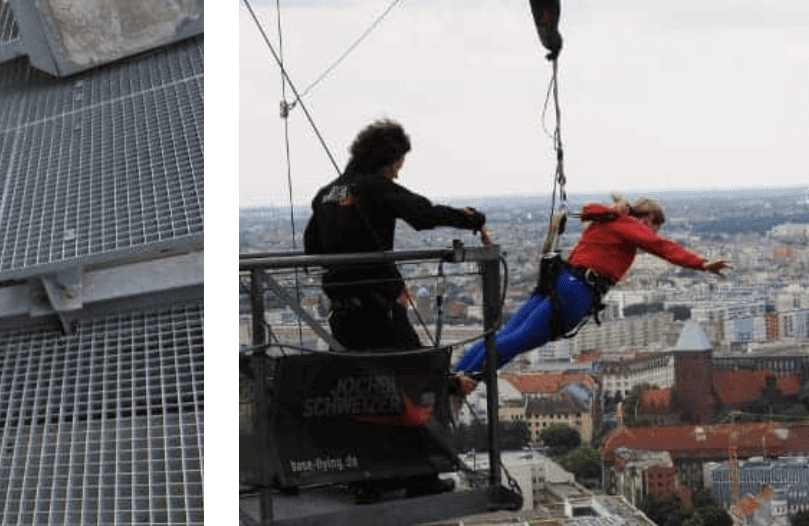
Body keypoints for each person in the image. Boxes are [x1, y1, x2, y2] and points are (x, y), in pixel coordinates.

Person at [454, 195, 729, 386]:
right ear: (646, 217)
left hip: (557, 278)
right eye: (654, 224)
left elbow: (589, 209)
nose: (652, 231)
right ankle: (466, 380)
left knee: (507, 336)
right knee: (521, 340)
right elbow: (663, 247)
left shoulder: (606, 218)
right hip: (577, 291)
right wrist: (702, 264)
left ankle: (457, 374)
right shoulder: (628, 225)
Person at [304, 119, 490, 358]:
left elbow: (312, 246)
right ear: (388, 160)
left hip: (342, 310)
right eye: (398, 164)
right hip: (378, 308)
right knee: (416, 374)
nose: (398, 173)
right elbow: (423, 215)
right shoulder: (375, 187)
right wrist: (471, 219)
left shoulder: (325, 194)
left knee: (354, 376)